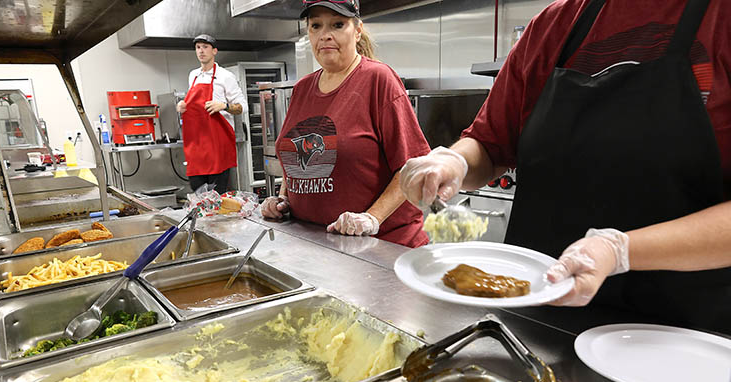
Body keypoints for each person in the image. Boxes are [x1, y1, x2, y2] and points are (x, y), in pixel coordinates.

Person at [399, 0, 731, 334]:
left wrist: (618, 250)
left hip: (681, 337)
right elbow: (489, 144)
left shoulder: (721, 18)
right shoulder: (554, 25)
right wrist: (452, 161)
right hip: (534, 319)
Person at [260, 0, 430, 248]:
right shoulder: (302, 89)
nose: (325, 35)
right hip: (319, 248)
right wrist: (283, 199)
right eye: (316, 26)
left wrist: (372, 218)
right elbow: (295, 152)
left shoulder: (377, 80)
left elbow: (413, 166)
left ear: (357, 30)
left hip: (382, 249)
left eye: (337, 25)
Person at [176, 34, 247, 193]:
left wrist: (223, 105)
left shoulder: (225, 76)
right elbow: (194, 104)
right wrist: (183, 105)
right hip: (197, 145)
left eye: (205, 47)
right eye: (198, 47)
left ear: (214, 51)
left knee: (217, 197)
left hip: (218, 144)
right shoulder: (193, 75)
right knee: (198, 195)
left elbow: (243, 106)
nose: (201, 51)